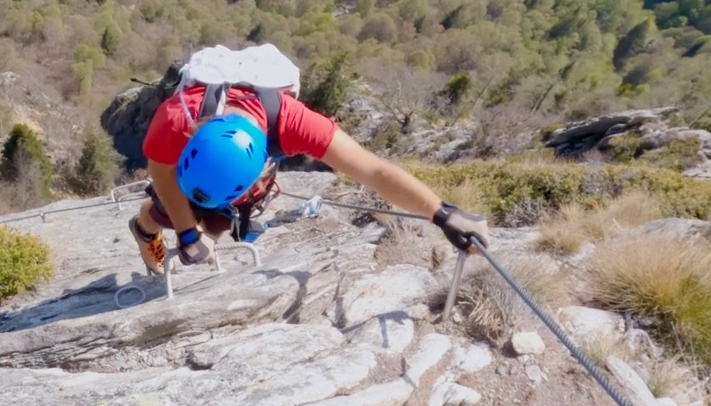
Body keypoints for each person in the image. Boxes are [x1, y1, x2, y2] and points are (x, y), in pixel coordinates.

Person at [127, 46, 491, 274]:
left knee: (220, 220)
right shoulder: (176, 120)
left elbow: (373, 170)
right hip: (195, 166)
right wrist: (188, 231)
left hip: (240, 168)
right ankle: (144, 229)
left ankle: (211, 219)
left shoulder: (294, 123)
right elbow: (163, 175)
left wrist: (443, 214)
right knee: (164, 209)